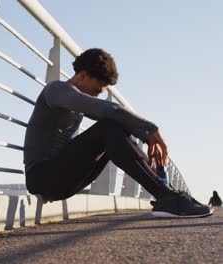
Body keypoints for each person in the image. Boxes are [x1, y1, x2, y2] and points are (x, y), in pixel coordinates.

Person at [23, 48, 212, 218]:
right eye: (97, 90)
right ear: (82, 75)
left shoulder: (75, 99)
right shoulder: (56, 90)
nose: (97, 95)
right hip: (41, 177)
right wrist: (152, 129)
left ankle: (168, 194)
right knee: (109, 126)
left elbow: (117, 117)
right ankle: (168, 196)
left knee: (116, 125)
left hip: (64, 178)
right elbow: (109, 109)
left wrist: (147, 139)